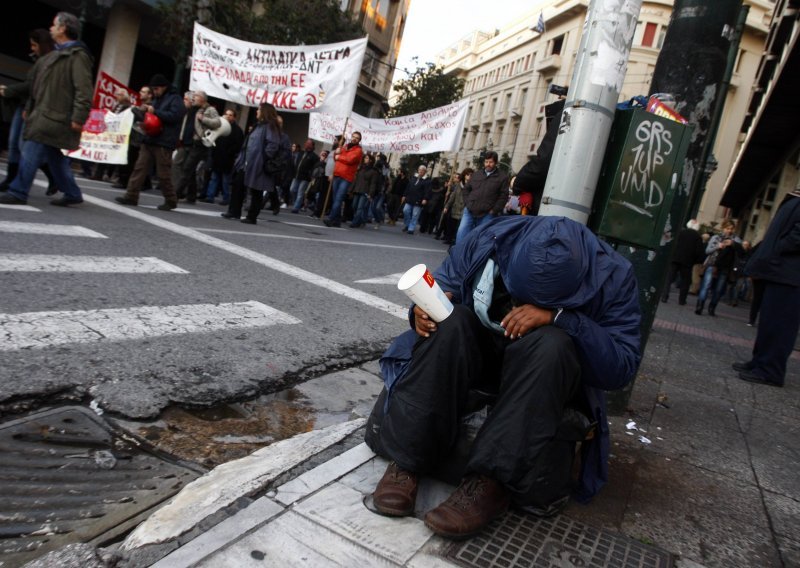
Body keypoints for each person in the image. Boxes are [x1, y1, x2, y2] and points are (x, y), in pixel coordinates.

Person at [365, 215, 641, 539]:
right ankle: (407, 461)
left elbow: (621, 367)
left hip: (539, 373)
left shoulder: (616, 277)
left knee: (554, 345)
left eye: (534, 303)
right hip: (480, 354)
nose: (521, 306)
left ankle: (487, 485)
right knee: (451, 322)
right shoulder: (490, 237)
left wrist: (562, 319)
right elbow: (446, 284)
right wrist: (421, 312)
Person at [0, 12, 93, 207]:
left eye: (54, 25)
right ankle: (72, 192)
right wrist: (30, 106)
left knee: (31, 149)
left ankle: (18, 190)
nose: (51, 28)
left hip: (54, 116)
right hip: (44, 113)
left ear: (63, 29)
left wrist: (79, 117)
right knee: (54, 156)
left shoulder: (77, 56)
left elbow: (83, 89)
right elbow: (37, 86)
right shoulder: (56, 55)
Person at [733, 191, 800, 387]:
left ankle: (770, 370)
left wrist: (778, 248)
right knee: (769, 322)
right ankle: (760, 362)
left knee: (780, 325)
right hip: (781, 270)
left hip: (790, 273)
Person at [114, 74, 186, 210]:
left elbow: (175, 116)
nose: (154, 91)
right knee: (139, 168)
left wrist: (156, 111)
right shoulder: (157, 99)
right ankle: (131, 196)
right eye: (153, 89)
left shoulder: (175, 99)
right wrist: (141, 111)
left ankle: (171, 199)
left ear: (164, 87)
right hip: (150, 138)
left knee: (163, 173)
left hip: (164, 141)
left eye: (156, 89)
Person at [0, 29, 57, 195]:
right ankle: (12, 179)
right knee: (14, 143)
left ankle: (22, 185)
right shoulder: (39, 60)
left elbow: (32, 86)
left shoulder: (49, 61)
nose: (32, 48)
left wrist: (9, 90)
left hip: (33, 107)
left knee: (24, 146)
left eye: (34, 44)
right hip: (24, 105)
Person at [234, 102, 285, 225]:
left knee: (257, 190)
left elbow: (272, 145)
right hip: (252, 162)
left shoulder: (270, 126)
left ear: (264, 112)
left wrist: (263, 158)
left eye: (259, 110)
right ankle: (248, 214)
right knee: (253, 188)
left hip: (259, 162)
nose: (256, 111)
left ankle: (252, 217)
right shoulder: (260, 125)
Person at [173, 90, 221, 204]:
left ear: (203, 99)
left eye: (196, 96)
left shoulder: (209, 110)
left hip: (199, 143)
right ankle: (191, 196)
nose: (193, 98)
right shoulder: (192, 109)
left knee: (187, 168)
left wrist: (203, 118)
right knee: (190, 170)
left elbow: (217, 123)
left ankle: (174, 195)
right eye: (193, 96)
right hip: (188, 142)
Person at [456, 151, 510, 243]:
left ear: (496, 163)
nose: (488, 164)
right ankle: (458, 254)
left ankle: (475, 256)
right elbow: (466, 189)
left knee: (481, 238)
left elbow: (504, 196)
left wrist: (494, 210)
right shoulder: (476, 174)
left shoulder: (502, 177)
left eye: (491, 162)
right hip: (470, 210)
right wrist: (467, 203)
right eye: (486, 162)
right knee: (462, 233)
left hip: (487, 214)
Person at [695, 220, 739, 316]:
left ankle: (712, 307)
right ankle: (700, 306)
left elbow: (742, 251)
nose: (729, 231)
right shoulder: (716, 237)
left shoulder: (735, 240)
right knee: (706, 286)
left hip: (725, 267)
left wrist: (733, 244)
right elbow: (707, 251)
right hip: (712, 265)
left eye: (731, 229)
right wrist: (718, 246)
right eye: (727, 228)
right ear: (723, 228)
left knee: (718, 289)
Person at [203, 108, 243, 205]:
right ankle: (210, 196)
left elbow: (238, 145)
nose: (228, 116)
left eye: (230, 115)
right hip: (217, 156)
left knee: (225, 180)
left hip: (227, 158)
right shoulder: (219, 126)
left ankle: (226, 198)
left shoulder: (237, 130)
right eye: (227, 114)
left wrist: (229, 152)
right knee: (214, 177)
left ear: (234, 117)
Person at [662, 219, 705, 305]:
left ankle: (664, 296)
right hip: (688, 262)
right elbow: (699, 252)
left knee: (669, 278)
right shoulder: (697, 236)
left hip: (675, 258)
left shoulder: (681, 232)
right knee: (685, 281)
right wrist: (696, 261)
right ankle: (682, 300)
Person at [324, 131, 362, 227]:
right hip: (337, 174)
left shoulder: (358, 151)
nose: (354, 138)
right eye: (353, 136)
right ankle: (337, 221)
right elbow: (335, 158)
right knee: (335, 198)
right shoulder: (344, 146)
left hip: (346, 177)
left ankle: (331, 219)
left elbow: (350, 160)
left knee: (338, 199)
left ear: (359, 140)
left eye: (357, 138)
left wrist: (339, 156)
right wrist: (335, 153)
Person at [349, 154, 382, 228]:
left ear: (370, 160)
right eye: (364, 158)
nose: (365, 159)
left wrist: (371, 194)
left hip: (365, 192)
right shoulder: (361, 168)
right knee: (354, 206)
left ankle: (355, 222)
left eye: (367, 158)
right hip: (357, 190)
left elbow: (373, 184)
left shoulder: (373, 171)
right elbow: (356, 180)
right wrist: (351, 189)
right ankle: (360, 220)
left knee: (360, 207)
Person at [289, 139, 319, 213]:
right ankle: (298, 203)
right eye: (306, 143)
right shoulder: (301, 153)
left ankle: (296, 208)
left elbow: (315, 168)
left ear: (312, 146)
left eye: (309, 144)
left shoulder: (314, 156)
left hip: (305, 178)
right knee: (292, 190)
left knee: (300, 192)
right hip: (296, 175)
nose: (307, 145)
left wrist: (311, 175)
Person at [401, 164, 431, 235]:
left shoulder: (427, 181)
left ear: (425, 171)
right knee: (405, 210)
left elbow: (428, 191)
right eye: (419, 170)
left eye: (422, 170)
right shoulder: (414, 177)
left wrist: (425, 199)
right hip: (410, 198)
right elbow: (408, 186)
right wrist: (404, 195)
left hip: (419, 200)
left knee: (415, 215)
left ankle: (411, 228)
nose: (420, 171)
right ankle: (407, 224)